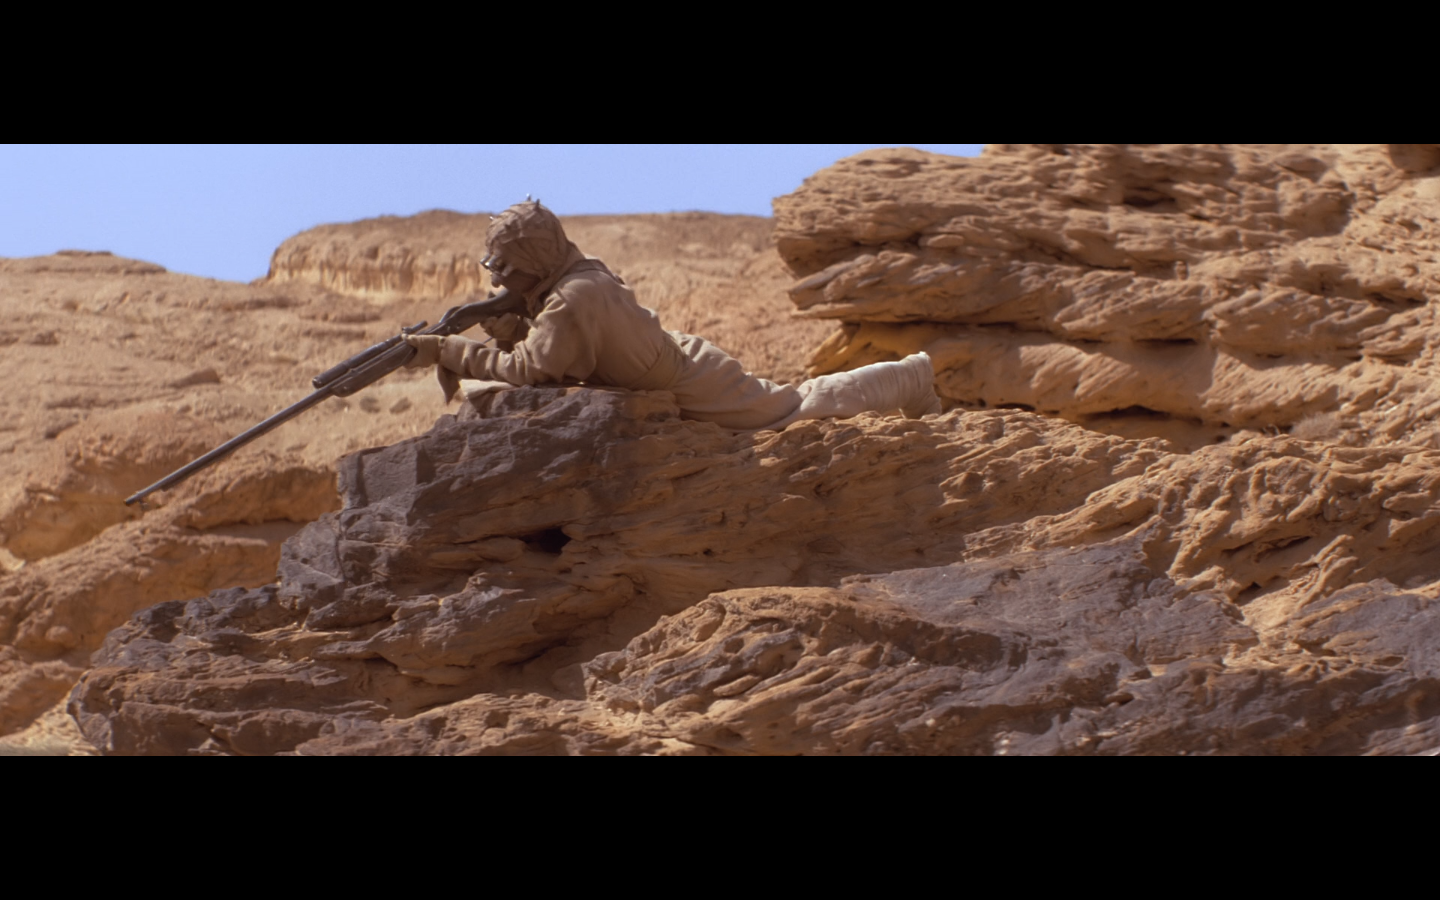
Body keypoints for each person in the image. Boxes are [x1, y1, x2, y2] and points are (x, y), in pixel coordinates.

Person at [403, 201, 940, 430]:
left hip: (690, 379)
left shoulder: (572, 296)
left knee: (793, 410)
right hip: (673, 364)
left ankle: (910, 378)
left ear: (536, 261)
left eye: (507, 268)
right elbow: (562, 345)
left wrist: (448, 350)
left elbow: (530, 370)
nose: (500, 281)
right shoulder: (576, 276)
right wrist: (516, 329)